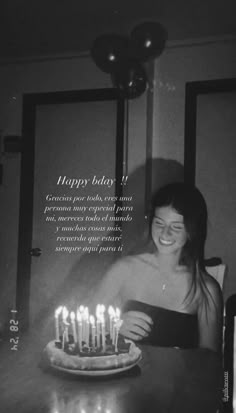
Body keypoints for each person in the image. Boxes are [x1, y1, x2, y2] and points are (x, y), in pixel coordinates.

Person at [91, 182, 223, 353]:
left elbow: (210, 362)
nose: (165, 233)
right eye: (159, 223)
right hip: (123, 377)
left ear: (192, 231)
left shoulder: (206, 289)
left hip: (178, 379)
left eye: (176, 227)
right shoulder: (124, 269)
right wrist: (111, 326)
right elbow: (75, 327)